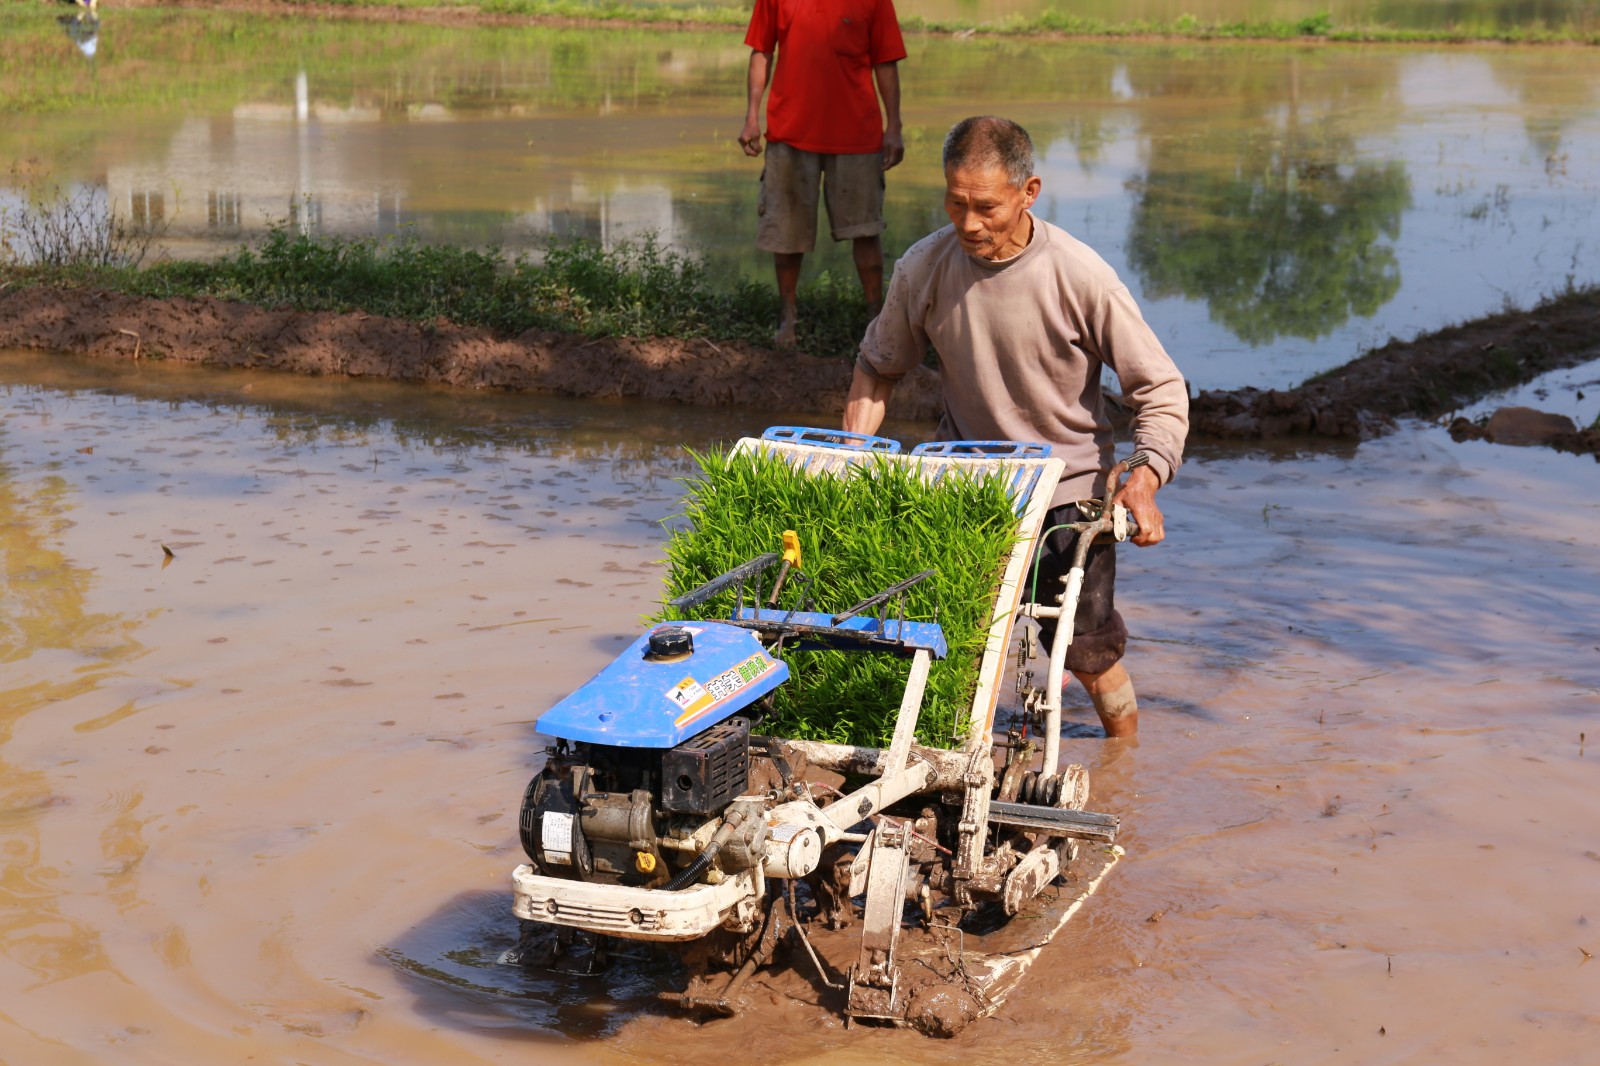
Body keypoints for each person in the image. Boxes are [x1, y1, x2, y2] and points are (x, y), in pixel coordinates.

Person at [842, 115, 1189, 739]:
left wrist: (1145, 474)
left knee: (1085, 649)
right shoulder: (924, 267)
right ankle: (965, 763)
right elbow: (876, 369)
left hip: (1068, 489)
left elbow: (1160, 390)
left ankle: (1126, 769)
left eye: (986, 207)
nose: (969, 223)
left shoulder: (1081, 276)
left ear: (1029, 193)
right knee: (954, 643)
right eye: (955, 203)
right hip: (968, 485)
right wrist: (850, 463)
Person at [738, 0, 907, 349]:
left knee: (866, 228)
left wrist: (894, 126)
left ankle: (876, 319)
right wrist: (752, 117)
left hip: (857, 132)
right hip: (790, 131)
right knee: (786, 231)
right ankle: (788, 317)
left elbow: (885, 62)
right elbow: (761, 53)